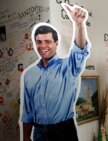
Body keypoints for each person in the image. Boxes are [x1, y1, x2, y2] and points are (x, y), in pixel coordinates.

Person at [19, 3, 91, 141]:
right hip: (39, 133)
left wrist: (79, 24)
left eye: (47, 41)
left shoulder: (68, 67)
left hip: (63, 132)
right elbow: (27, 111)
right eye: (39, 42)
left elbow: (79, 50)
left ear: (56, 43)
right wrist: (26, 137)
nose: (43, 46)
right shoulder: (29, 75)